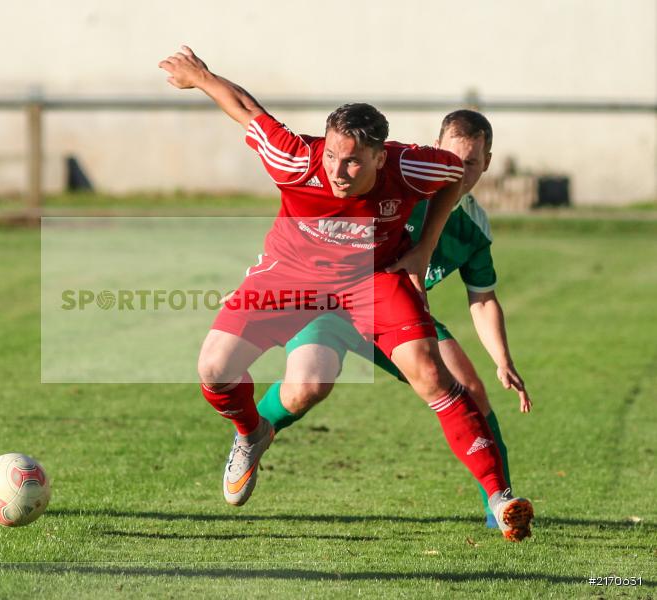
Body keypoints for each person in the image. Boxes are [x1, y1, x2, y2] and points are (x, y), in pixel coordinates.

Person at [158, 47, 533, 541]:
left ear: (381, 155)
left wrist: (423, 248)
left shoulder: (416, 166)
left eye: (353, 162)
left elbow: (453, 180)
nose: (337, 170)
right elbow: (247, 110)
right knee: (216, 368)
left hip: (372, 281)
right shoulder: (294, 158)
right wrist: (203, 78)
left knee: (433, 373)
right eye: (332, 155)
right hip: (291, 276)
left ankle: (500, 498)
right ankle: (251, 434)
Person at [255, 110, 532, 529]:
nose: (460, 169)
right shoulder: (406, 190)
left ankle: (500, 505)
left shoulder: (473, 225)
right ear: (438, 151)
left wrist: (502, 358)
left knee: (471, 389)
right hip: (332, 306)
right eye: (453, 158)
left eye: (471, 162)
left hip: (398, 315)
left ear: (487, 163)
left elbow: (483, 298)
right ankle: (252, 435)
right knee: (305, 388)